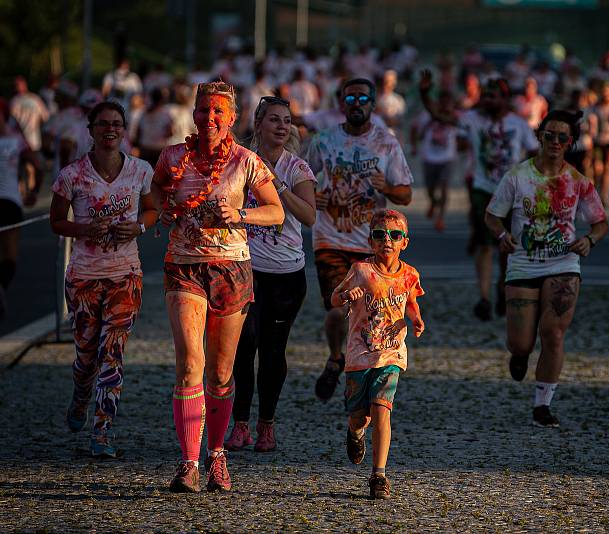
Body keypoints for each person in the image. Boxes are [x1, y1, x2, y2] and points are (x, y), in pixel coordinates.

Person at [151, 81, 284, 492]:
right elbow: (156, 191)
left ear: (231, 119)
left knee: (222, 372)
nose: (209, 118)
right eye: (203, 111)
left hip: (232, 269)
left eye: (218, 112)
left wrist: (240, 213)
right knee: (190, 363)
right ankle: (189, 463)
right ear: (193, 114)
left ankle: (216, 455)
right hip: (185, 266)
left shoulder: (246, 161)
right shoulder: (173, 157)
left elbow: (276, 212)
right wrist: (165, 209)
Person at [485, 110, 607, 427]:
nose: (555, 142)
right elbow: (492, 215)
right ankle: (521, 354)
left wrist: (590, 241)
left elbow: (600, 223)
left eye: (562, 137)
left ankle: (542, 404)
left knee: (553, 333)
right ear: (540, 136)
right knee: (521, 342)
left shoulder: (578, 182)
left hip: (563, 262)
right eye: (549, 135)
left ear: (570, 143)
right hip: (523, 262)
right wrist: (502, 235)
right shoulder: (517, 176)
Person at [50, 100, 157, 457]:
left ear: (124, 130)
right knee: (86, 356)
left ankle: (102, 431)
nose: (110, 130)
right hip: (83, 277)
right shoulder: (72, 175)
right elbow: (56, 221)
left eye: (116, 124)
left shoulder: (140, 170)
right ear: (91, 130)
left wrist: (138, 226)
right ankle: (80, 397)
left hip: (126, 275)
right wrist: (84, 228)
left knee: (112, 352)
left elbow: (154, 208)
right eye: (103, 124)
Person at [305, 78, 413, 403]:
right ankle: (338, 356)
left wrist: (388, 188)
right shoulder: (323, 141)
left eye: (363, 98)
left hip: (372, 244)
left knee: (368, 315)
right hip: (330, 238)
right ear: (341, 103)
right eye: (349, 97)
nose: (356, 103)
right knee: (340, 309)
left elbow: (406, 193)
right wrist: (314, 195)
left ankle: (352, 369)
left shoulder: (386, 143)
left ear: (373, 104)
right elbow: (300, 179)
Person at [224, 96, 316, 452]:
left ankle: (267, 425)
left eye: (287, 121)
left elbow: (308, 216)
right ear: (258, 123)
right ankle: (241, 424)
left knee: (273, 352)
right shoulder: (240, 162)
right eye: (274, 119)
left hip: (286, 276)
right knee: (243, 348)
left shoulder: (297, 169)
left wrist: (276, 187)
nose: (281, 126)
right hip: (245, 271)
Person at [420, 71, 537, 321]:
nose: (487, 101)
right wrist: (424, 93)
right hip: (482, 189)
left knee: (508, 247)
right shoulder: (472, 119)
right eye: (485, 96)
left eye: (493, 96)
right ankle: (484, 298)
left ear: (505, 99)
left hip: (512, 192)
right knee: (484, 245)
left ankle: (502, 288)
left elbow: (536, 152)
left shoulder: (519, 124)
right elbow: (440, 115)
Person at [333, 209, 424, 499]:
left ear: (404, 242)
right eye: (380, 234)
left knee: (382, 409)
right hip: (360, 353)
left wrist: (416, 318)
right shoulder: (361, 271)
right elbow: (335, 298)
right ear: (371, 241)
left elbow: (410, 301)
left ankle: (379, 476)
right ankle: (355, 432)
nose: (387, 239)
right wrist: (349, 296)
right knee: (360, 417)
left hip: (392, 354)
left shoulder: (410, 274)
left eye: (395, 235)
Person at [0, 98, 40, 319]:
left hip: (9, 201)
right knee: (10, 255)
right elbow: (35, 163)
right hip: (9, 201)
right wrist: (33, 190)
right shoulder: (16, 140)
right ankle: (1, 286)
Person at [409, 89, 459, 232]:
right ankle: (432, 202)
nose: (444, 106)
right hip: (429, 157)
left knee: (444, 187)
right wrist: (414, 145)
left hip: (447, 158)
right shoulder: (426, 116)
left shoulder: (455, 116)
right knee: (430, 188)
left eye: (448, 103)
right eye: (442, 103)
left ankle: (440, 218)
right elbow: (415, 129)